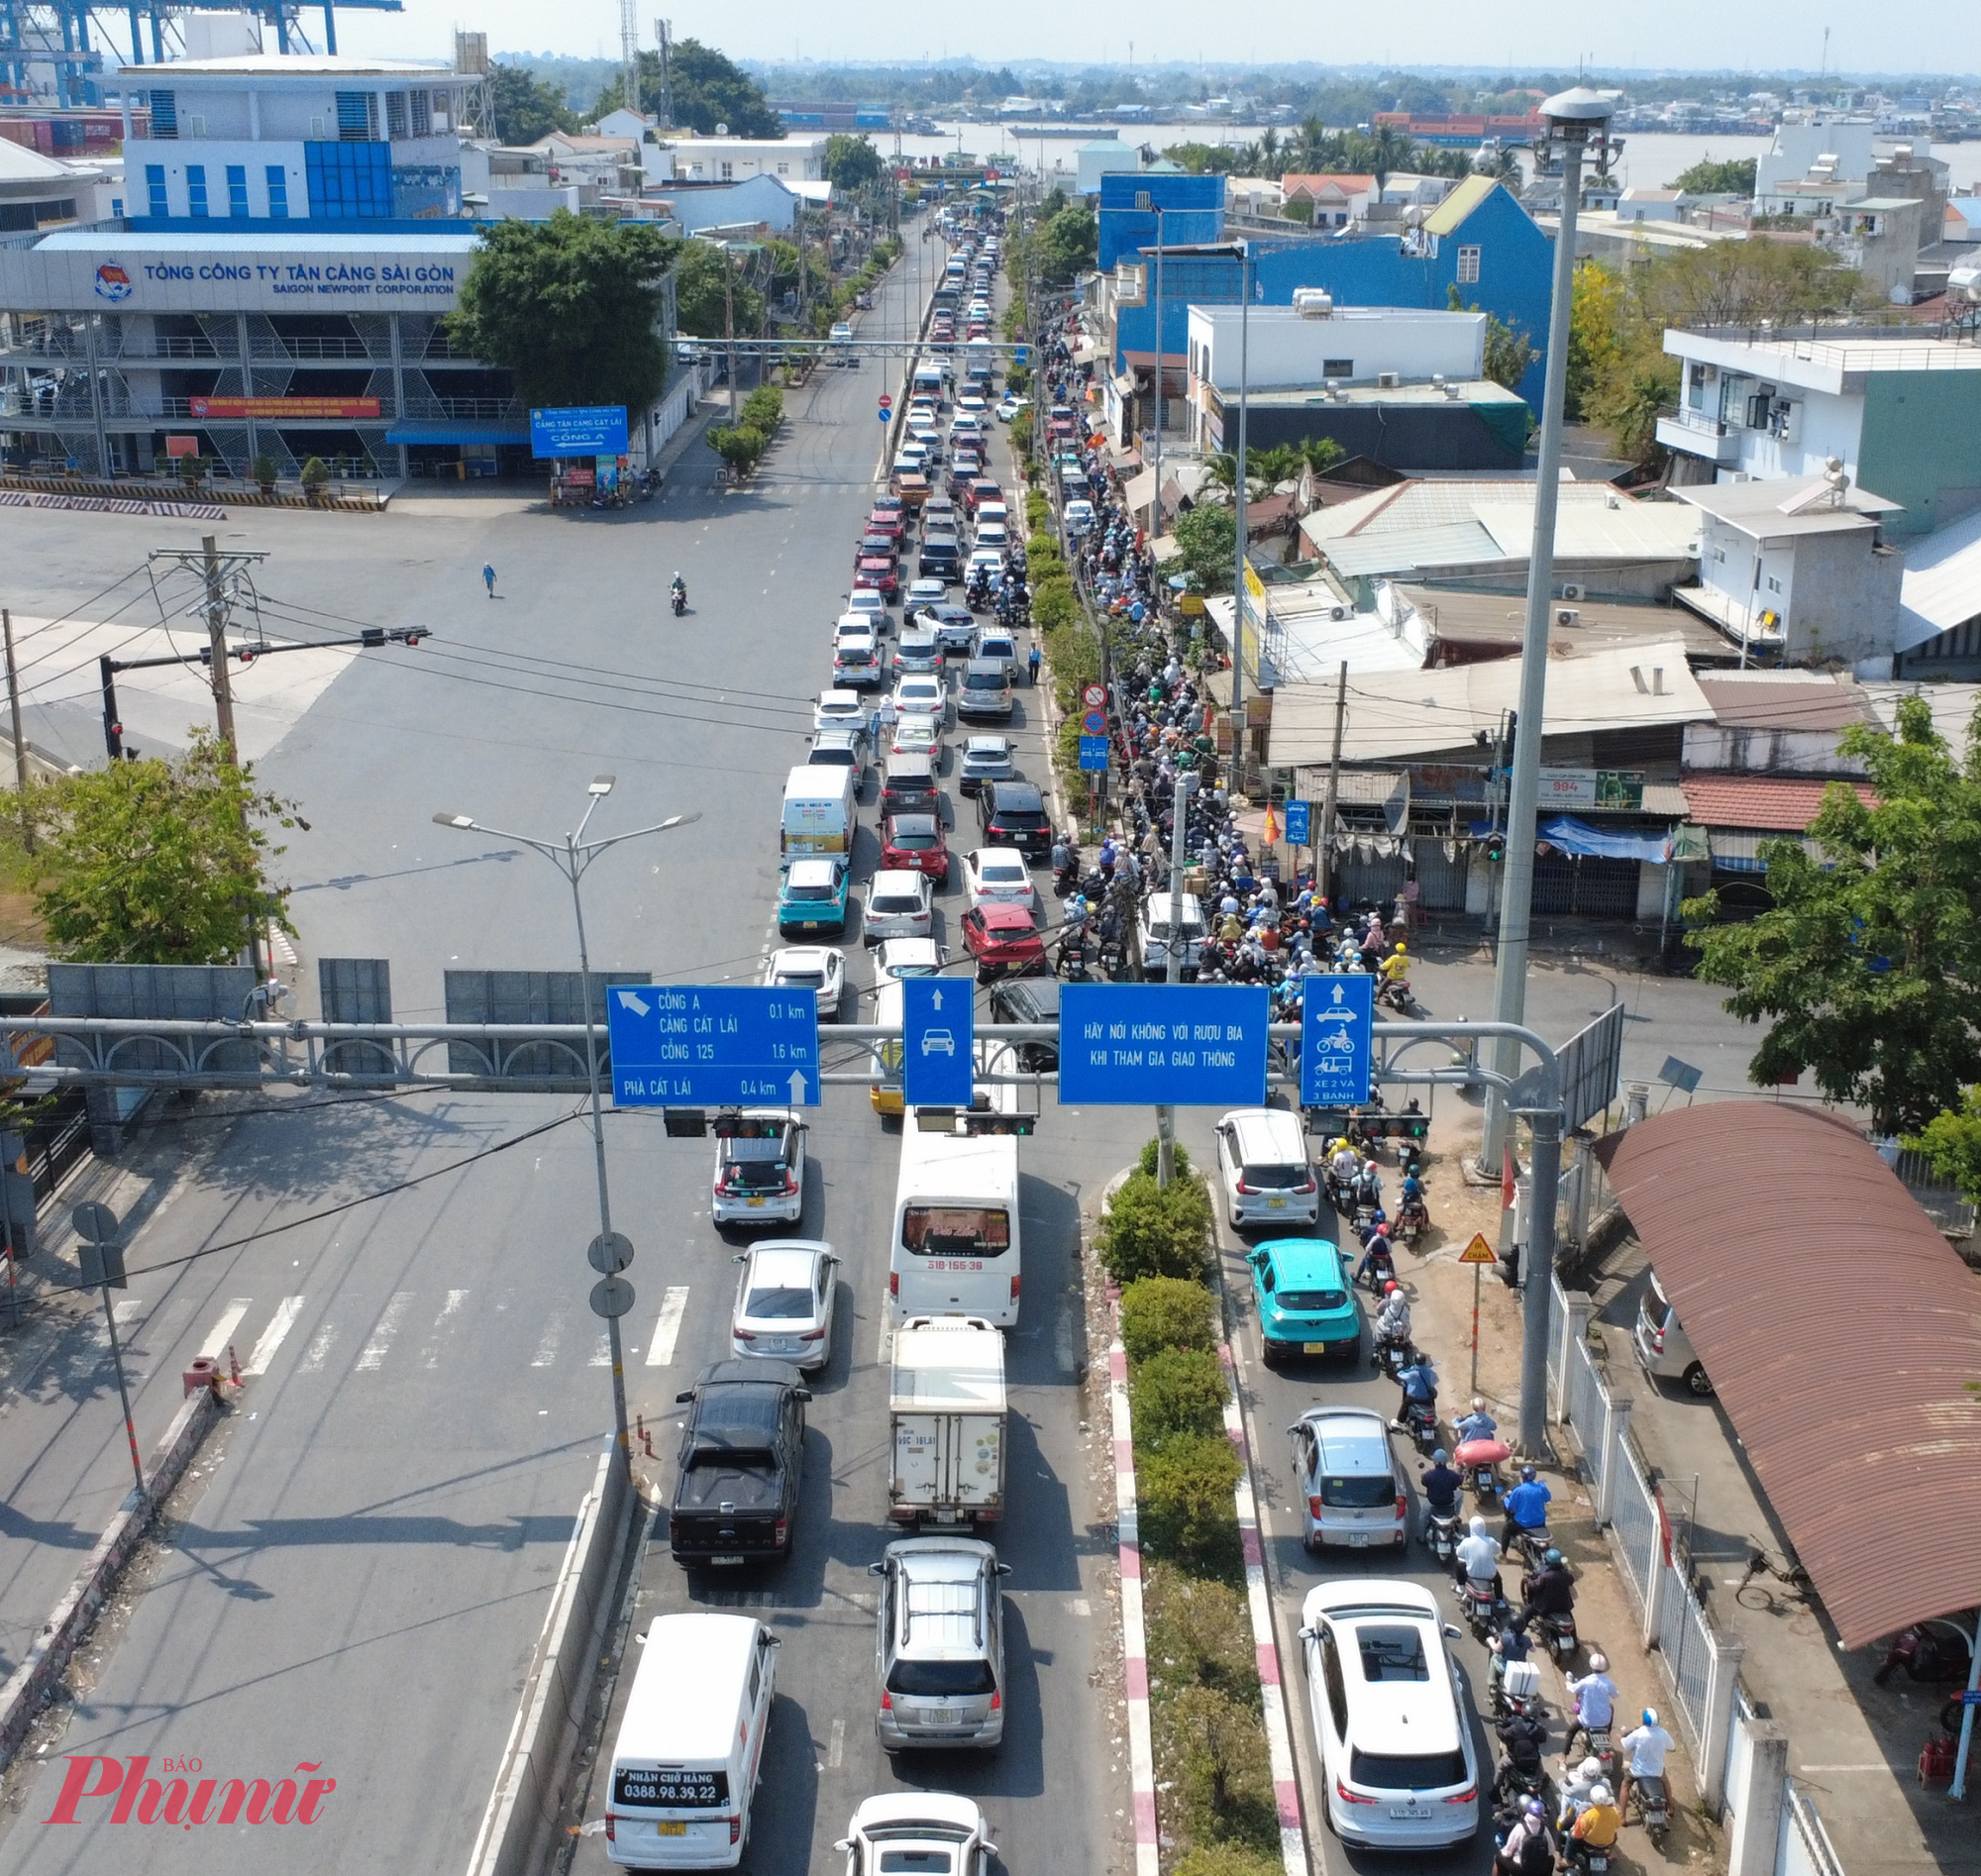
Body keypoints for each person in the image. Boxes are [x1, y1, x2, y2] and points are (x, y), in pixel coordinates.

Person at [1617, 1709, 1675, 1820]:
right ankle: (1670, 1807)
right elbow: (1672, 1747)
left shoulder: (1639, 1733)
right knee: (1666, 1784)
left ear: (1644, 1721)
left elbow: (1626, 1744)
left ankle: (1623, 1816)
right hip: (1657, 1771)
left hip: (1638, 1771)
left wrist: (1620, 1737)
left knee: (1625, 1786)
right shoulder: (1663, 1733)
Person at [1563, 1656, 1617, 1759]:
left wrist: (1568, 1683)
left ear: (1591, 1666)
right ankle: (1607, 1733)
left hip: (1586, 1721)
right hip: (1604, 1721)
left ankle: (1563, 1757)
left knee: (1570, 1732)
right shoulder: (1608, 1682)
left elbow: (1573, 1689)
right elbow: (1615, 1695)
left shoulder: (1585, 1682)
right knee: (1610, 1707)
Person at [1495, 1705, 1550, 1802]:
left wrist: (1498, 1726)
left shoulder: (1516, 1728)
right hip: (1534, 1762)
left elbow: (1503, 1734)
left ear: (1524, 1713)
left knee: (1500, 1768)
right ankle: (1542, 1783)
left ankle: (1494, 1791)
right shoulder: (1538, 1728)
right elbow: (1543, 1739)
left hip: (1515, 1760)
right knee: (1541, 1772)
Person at [1496, 1798, 1555, 1876]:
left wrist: (1504, 1853)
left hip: (1520, 1867)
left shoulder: (1519, 1828)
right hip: (1539, 1868)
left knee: (1499, 1857)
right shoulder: (1545, 1829)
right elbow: (1551, 1850)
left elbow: (1508, 1852)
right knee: (1552, 1859)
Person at [1502, 1464, 1553, 1552]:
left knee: (1506, 1532)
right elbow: (1548, 1498)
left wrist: (1505, 1499)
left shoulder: (1519, 1490)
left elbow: (1511, 1506)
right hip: (1540, 1522)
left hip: (1522, 1523)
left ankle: (1504, 1555)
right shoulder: (1541, 1488)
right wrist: (1542, 1485)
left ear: (1522, 1477)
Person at [1569, 1784, 1621, 1864]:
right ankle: (1610, 1851)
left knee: (1571, 1836)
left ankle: (1568, 1857)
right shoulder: (1614, 1812)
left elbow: (1584, 1829)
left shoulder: (1589, 1814)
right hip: (1607, 1843)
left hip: (1589, 1843)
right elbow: (1618, 1825)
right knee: (1615, 1835)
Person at [1523, 1547, 1576, 1622]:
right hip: (1564, 1606)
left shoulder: (1545, 1576)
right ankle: (1574, 1634)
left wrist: (1528, 1580)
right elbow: (1571, 1581)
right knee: (1571, 1621)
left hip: (1546, 1607)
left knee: (1527, 1613)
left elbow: (1534, 1586)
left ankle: (1518, 1631)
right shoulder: (1565, 1574)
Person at [1556, 1756, 1608, 1831]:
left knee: (1565, 1796)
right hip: (1599, 1808)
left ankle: (1563, 1816)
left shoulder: (1580, 1787)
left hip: (1582, 1808)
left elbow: (1567, 1791)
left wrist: (1561, 1781)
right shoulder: (1606, 1782)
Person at [1455, 1513, 1501, 1593]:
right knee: (1498, 1580)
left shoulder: (1467, 1542)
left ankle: (1461, 1587)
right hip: (1490, 1575)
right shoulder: (1490, 1541)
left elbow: (1459, 1553)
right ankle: (1500, 1600)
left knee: (1459, 1564)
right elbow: (1497, 1550)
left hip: (1472, 1573)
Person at [1395, 1348, 1438, 1430]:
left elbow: (1401, 1375)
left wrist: (1401, 1370)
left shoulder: (1412, 1373)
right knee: (1432, 1400)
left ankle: (1399, 1421)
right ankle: (1434, 1417)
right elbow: (1435, 1380)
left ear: (1415, 1361)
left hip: (1414, 1398)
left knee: (1405, 1403)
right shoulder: (1429, 1371)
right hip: (1426, 1398)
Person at [1420, 1448, 1462, 1519]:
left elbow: (1424, 1482)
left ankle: (1420, 1530)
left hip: (1432, 1502)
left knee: (1422, 1517)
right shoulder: (1452, 1474)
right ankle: (1456, 1515)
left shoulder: (1429, 1475)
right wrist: (1462, 1474)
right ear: (1446, 1460)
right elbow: (1459, 1481)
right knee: (1460, 1493)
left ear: (1434, 1461)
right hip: (1449, 1502)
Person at [1373, 1282, 1411, 1352]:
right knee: (1408, 1328)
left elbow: (1385, 1319)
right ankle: (1406, 1342)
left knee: (1377, 1327)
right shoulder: (1405, 1309)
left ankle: (1377, 1342)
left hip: (1388, 1330)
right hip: (1401, 1330)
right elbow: (1407, 1318)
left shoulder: (1388, 1310)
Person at [1356, 1220, 1396, 1287]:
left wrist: (1368, 1252)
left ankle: (1361, 1274)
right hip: (1384, 1257)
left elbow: (1368, 1248)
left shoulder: (1374, 1238)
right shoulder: (1387, 1240)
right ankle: (1392, 1276)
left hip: (1373, 1256)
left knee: (1365, 1260)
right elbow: (1389, 1250)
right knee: (1390, 1262)